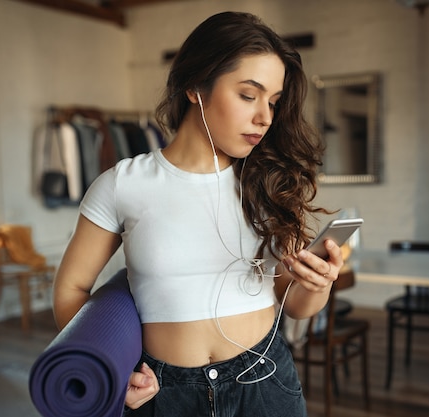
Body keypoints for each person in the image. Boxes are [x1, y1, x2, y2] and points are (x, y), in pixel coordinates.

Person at [53, 11, 344, 417]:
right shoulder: (123, 184)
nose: (264, 116)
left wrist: (319, 283)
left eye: (273, 102)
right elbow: (70, 291)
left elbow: (293, 304)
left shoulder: (270, 182)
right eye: (248, 94)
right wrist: (115, 371)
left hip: (264, 383)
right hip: (163, 392)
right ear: (195, 86)